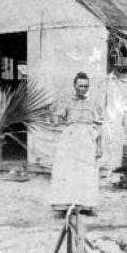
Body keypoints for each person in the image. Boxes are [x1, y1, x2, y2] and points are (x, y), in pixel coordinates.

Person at [49, 72, 103, 214]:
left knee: (87, 172)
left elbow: (99, 126)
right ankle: (64, 205)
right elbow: (56, 120)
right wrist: (52, 113)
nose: (83, 89)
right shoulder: (66, 102)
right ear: (74, 86)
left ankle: (86, 206)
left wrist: (99, 147)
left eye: (86, 86)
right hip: (70, 141)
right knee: (67, 171)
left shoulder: (93, 103)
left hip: (87, 141)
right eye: (80, 86)